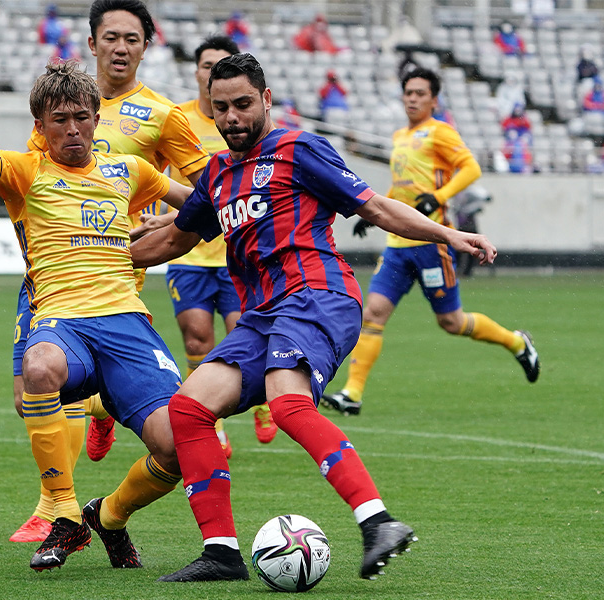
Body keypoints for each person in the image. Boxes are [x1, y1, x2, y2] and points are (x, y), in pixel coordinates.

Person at [129, 53, 497, 583]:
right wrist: (91, 255)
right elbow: (171, 240)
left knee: (285, 398)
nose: (231, 117)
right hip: (263, 314)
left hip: (317, 294)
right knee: (188, 408)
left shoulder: (299, 149)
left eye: (242, 105)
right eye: (221, 107)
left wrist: (447, 234)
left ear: (267, 100)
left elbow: (376, 207)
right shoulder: (215, 174)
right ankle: (221, 553)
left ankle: (378, 523)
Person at [0, 62, 196, 572]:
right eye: (59, 120)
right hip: (63, 322)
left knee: (177, 447)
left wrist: (186, 217)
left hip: (127, 322)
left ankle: (110, 516)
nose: (71, 129)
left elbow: (198, 203)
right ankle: (64, 512)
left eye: (81, 117)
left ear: (97, 118)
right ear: (41, 124)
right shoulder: (25, 172)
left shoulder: (130, 171)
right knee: (38, 370)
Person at [10, 0, 210, 545]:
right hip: (51, 278)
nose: (121, 47)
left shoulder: (164, 116)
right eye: (111, 37)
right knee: (29, 389)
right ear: (93, 42)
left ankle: (58, 510)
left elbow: (206, 190)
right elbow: (28, 188)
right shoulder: (60, 102)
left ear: (146, 46)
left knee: (77, 380)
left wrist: (171, 218)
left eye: (132, 38)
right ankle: (66, 485)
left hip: (120, 282)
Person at [322, 68, 540, 417]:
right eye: (408, 92)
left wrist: (438, 197)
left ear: (433, 100)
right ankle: (353, 393)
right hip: (397, 243)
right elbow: (403, 184)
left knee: (451, 322)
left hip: (431, 242)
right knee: (372, 315)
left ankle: (517, 342)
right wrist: (371, 211)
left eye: (420, 93)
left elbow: (470, 169)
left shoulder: (440, 133)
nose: (412, 98)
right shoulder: (399, 136)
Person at [167, 35, 277, 457]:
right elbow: (158, 170)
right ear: (198, 72)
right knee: (197, 338)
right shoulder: (177, 119)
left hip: (237, 254)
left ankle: (262, 402)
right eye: (206, 64)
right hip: (192, 252)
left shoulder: (250, 122)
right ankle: (209, 422)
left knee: (241, 336)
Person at [450, 185, 491, 277]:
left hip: (466, 226)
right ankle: (463, 270)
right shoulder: (463, 193)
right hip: (465, 226)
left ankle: (464, 270)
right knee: (466, 249)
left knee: (468, 249)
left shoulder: (463, 193)